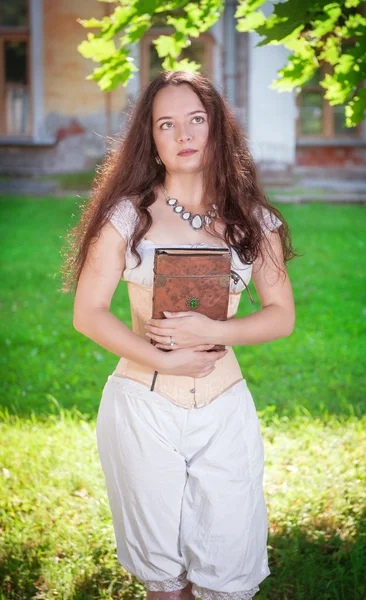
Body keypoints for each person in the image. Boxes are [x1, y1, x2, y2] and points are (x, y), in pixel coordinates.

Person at [62, 70, 297, 600]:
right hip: (142, 407)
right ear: (152, 138)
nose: (184, 135)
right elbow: (88, 314)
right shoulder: (127, 217)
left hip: (225, 407)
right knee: (164, 581)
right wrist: (162, 360)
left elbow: (281, 314)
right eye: (167, 124)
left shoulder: (252, 221)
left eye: (196, 120)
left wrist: (215, 329)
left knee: (227, 570)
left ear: (218, 129)